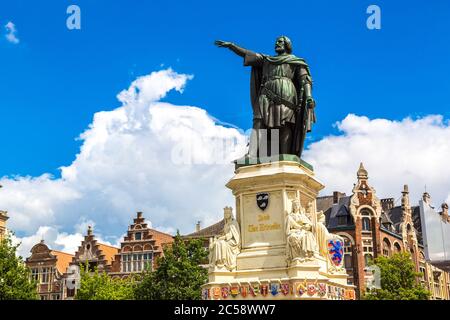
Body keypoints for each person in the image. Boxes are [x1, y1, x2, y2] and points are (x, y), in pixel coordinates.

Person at [215, 36, 315, 158]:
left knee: (286, 123)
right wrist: (232, 46)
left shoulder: (295, 61)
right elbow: (248, 54)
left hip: (287, 94)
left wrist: (309, 97)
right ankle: (251, 155)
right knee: (258, 121)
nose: (277, 43)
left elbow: (305, 80)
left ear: (287, 45)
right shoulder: (267, 60)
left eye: (280, 42)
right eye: (276, 42)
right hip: (266, 93)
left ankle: (284, 155)